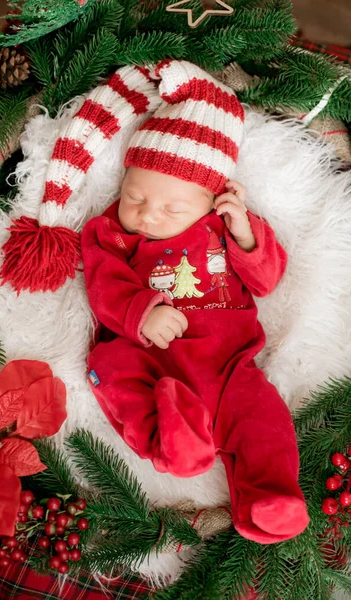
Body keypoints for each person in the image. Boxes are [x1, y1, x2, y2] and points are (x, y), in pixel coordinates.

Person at [81, 59, 309, 544]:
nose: (146, 215)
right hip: (149, 358)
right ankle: (173, 443)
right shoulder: (112, 234)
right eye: (134, 196)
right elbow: (102, 285)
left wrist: (246, 235)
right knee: (112, 368)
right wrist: (142, 312)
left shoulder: (225, 229)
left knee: (264, 421)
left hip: (230, 369)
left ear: (211, 200)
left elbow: (268, 280)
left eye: (171, 208)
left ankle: (269, 496)